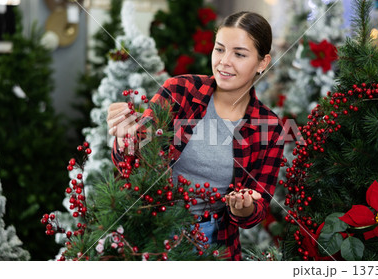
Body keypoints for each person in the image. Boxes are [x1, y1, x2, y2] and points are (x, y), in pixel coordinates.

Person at [107, 11, 284, 260]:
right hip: (153, 235)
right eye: (219, 49)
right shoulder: (179, 92)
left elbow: (256, 211)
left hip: (213, 242)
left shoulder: (270, 127)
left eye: (240, 54)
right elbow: (130, 168)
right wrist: (125, 138)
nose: (224, 61)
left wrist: (245, 208)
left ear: (262, 63)